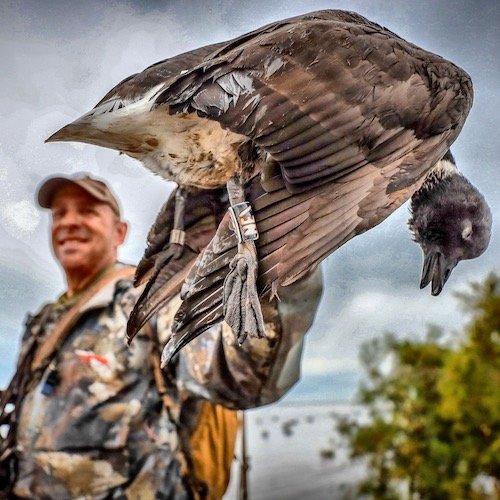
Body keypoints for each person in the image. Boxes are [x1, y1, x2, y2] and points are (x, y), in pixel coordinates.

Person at [0, 173, 323, 499]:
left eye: (87, 211)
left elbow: (242, 374)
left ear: (120, 232)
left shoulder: (147, 302)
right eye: (60, 213)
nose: (69, 222)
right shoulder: (44, 321)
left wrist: (279, 250)